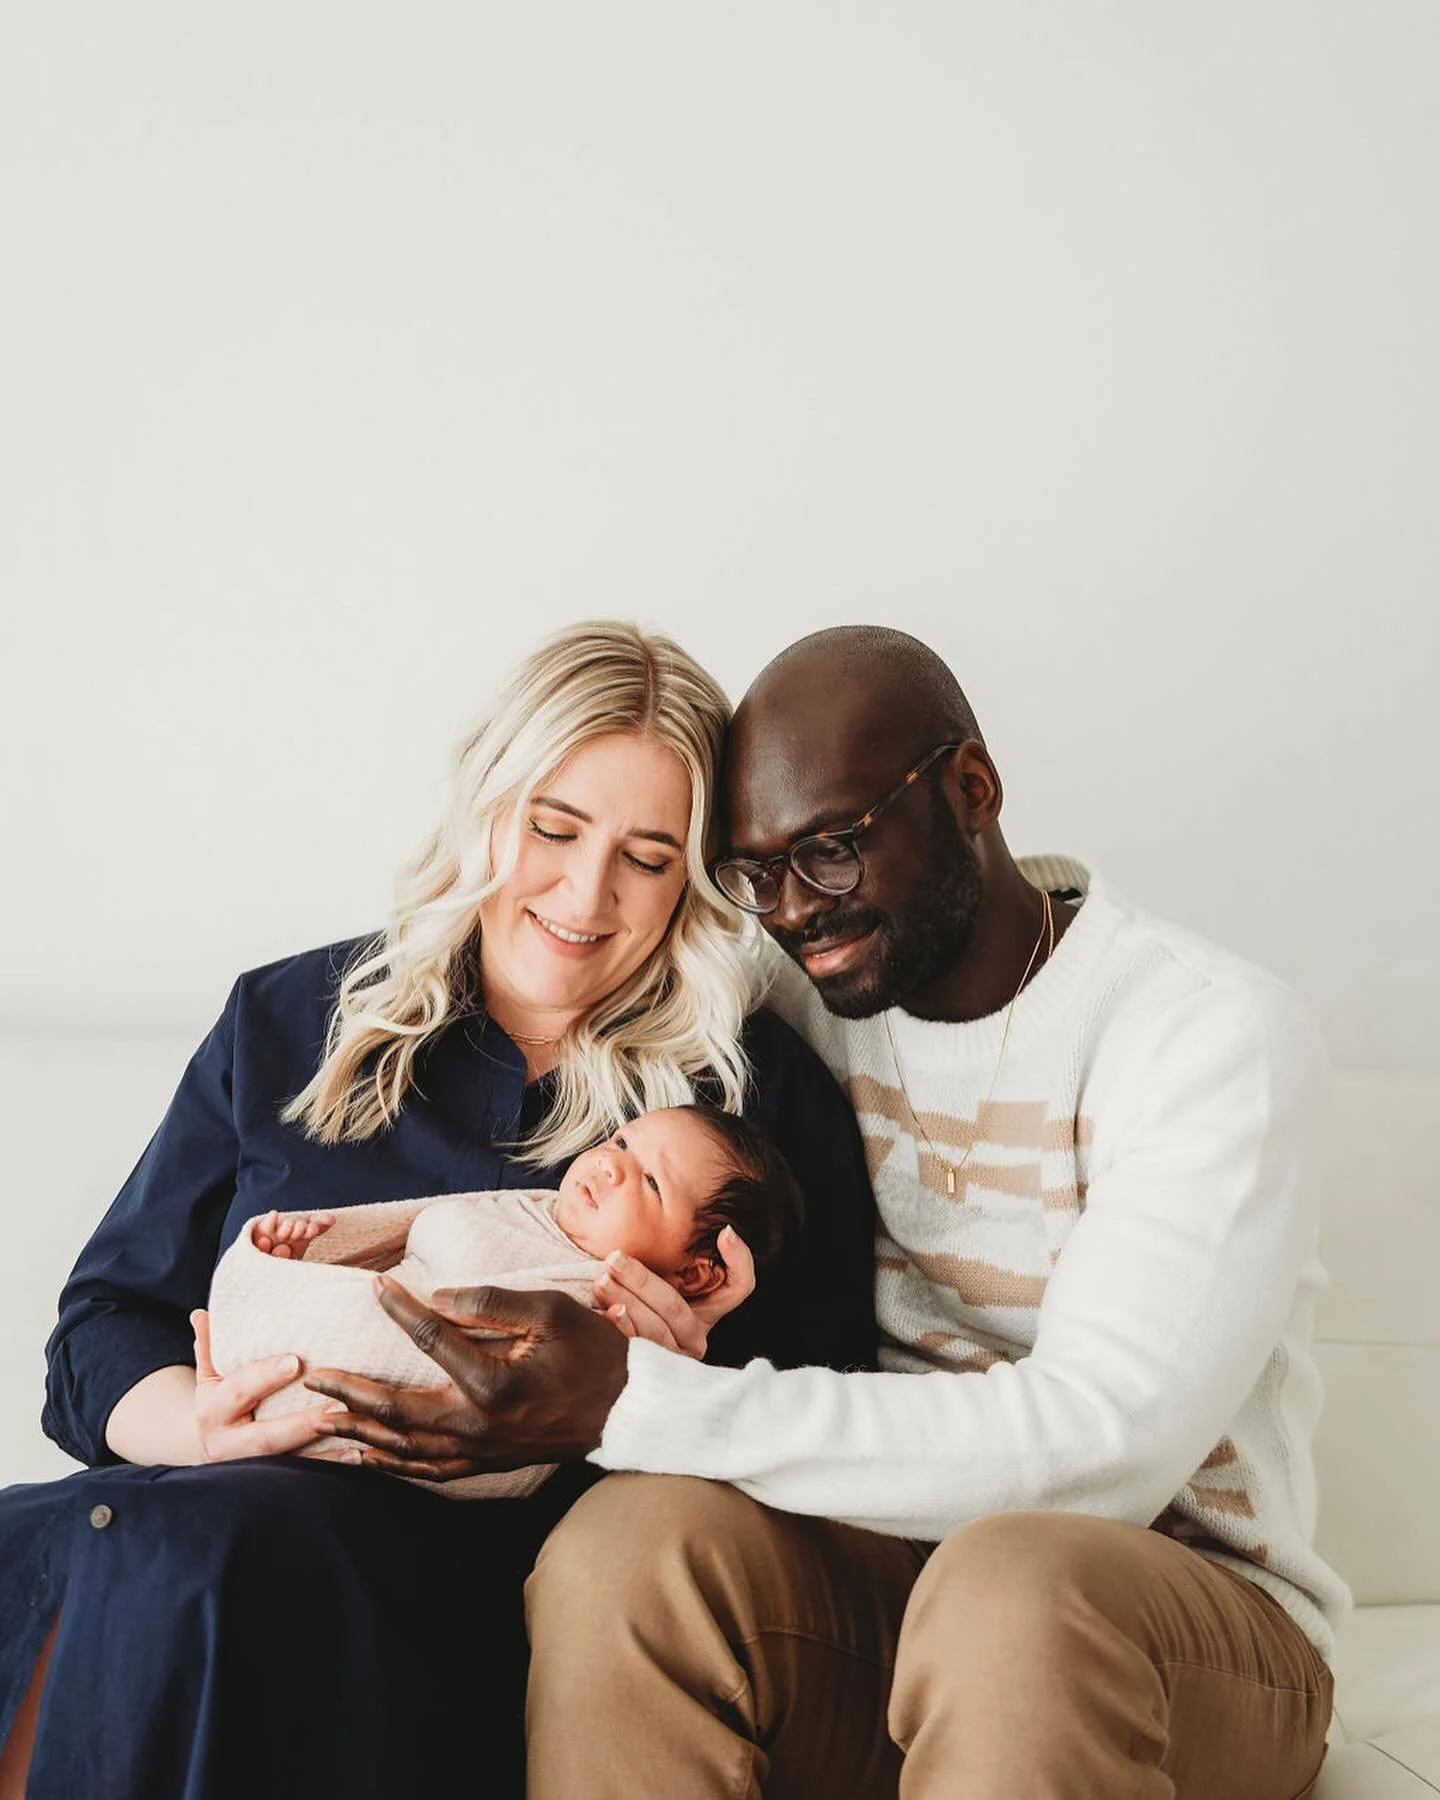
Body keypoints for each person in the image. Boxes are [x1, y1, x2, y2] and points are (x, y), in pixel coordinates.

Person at [311, 626, 1346, 1800]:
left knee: (1011, 1592)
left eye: (832, 852)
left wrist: (645, 1399)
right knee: (622, 1550)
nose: (796, 910)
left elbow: (1103, 1452)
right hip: (886, 1577)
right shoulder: (794, 998)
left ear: (973, 788)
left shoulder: (1205, 1035)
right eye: (755, 873)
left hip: (1183, 1618)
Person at [0, 621, 878, 1800]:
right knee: (91, 1543)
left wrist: (676, 1394)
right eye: (555, 830)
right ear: (487, 808)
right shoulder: (288, 1021)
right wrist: (206, 1430)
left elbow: (834, 1434)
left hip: (467, 1605)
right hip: (184, 1514)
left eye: (648, 857)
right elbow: (102, 1329)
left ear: (694, 878)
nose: (586, 895)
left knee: (187, 1559)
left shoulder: (750, 1106)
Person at [207, 1103, 802, 1498]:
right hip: (240, 1407)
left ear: (696, 1273)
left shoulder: (607, 1311)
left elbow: (524, 1397)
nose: (610, 1164)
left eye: (651, 1181)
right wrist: (309, 1262)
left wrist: (656, 1368)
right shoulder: (529, 1210)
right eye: (622, 1141)